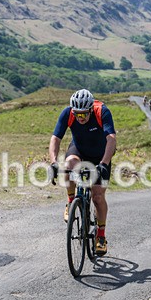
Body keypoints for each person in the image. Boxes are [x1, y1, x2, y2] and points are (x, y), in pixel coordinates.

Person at [49, 89, 117, 256]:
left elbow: (111, 139)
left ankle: (101, 236)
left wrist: (104, 164)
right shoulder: (68, 113)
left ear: (91, 110)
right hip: (79, 150)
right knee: (68, 165)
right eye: (77, 114)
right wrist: (53, 163)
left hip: (101, 156)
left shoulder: (102, 111)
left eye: (84, 114)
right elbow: (55, 138)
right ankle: (71, 201)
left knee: (97, 196)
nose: (80, 118)